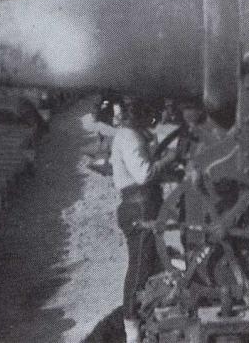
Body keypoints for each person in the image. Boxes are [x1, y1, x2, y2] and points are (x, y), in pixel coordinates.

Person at [103, 96, 180, 343]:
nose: (155, 120)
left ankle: (146, 320)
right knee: (140, 268)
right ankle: (131, 329)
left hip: (142, 205)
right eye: (151, 115)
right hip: (140, 208)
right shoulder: (130, 137)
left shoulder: (132, 135)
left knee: (151, 265)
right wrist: (171, 157)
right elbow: (144, 173)